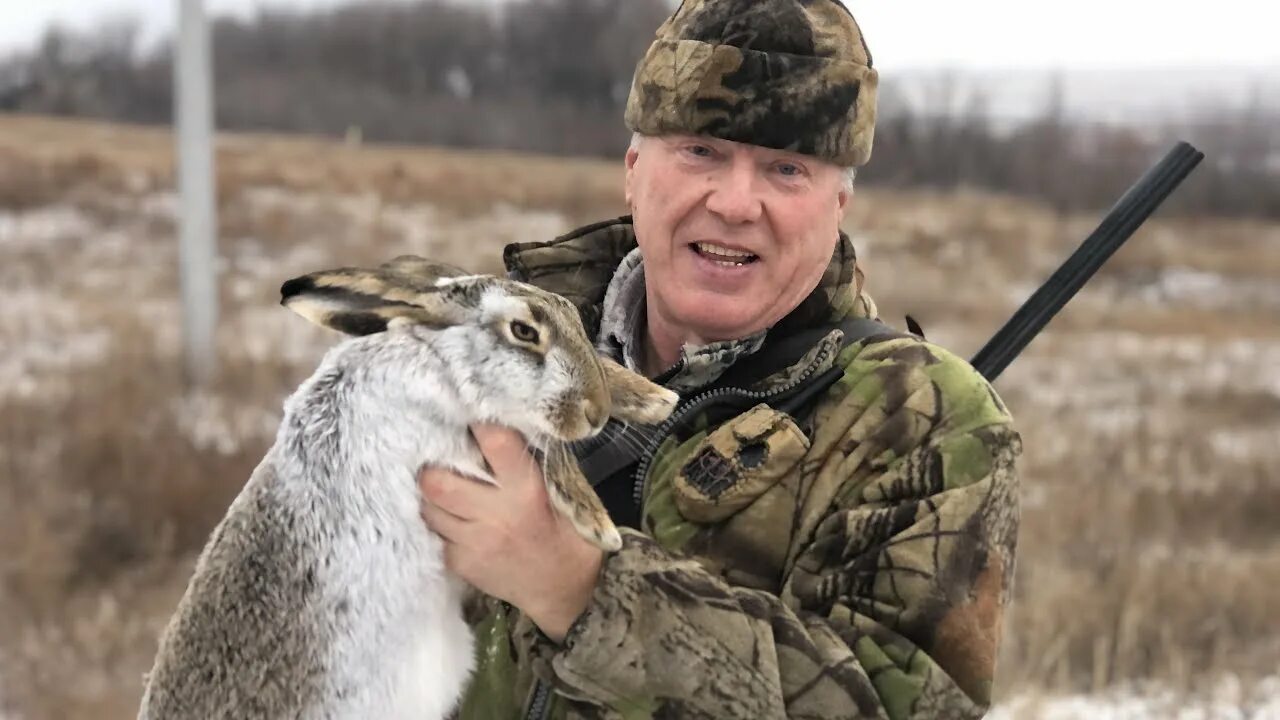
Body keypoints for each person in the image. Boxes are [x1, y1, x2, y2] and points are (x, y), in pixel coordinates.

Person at [418, 0, 1021, 717]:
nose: (737, 203)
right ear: (635, 171)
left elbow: (897, 707)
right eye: (702, 151)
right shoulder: (482, 351)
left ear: (839, 204)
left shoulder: (920, 422)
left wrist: (580, 589)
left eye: (786, 169)